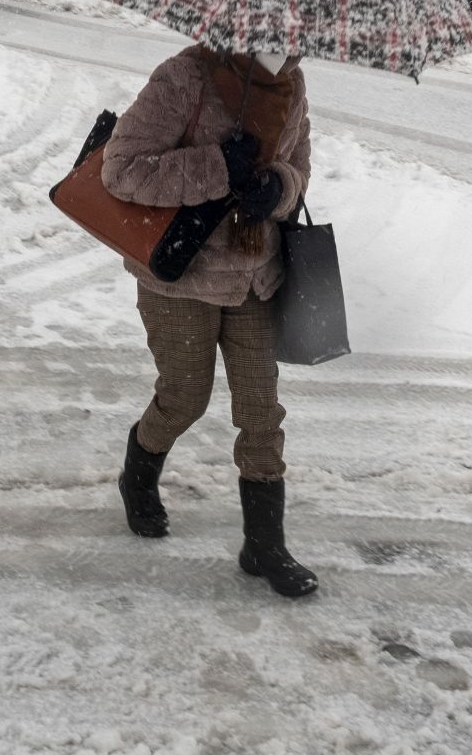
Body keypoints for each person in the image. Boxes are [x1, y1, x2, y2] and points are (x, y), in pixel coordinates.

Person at [100, 44, 317, 598]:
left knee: (261, 412)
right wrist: (220, 167)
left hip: (253, 278)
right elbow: (121, 170)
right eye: (282, 29)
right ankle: (138, 474)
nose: (292, 45)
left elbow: (300, 172)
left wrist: (279, 190)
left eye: (299, 33)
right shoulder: (184, 77)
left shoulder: (291, 87)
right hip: (180, 277)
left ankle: (264, 545)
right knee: (185, 398)